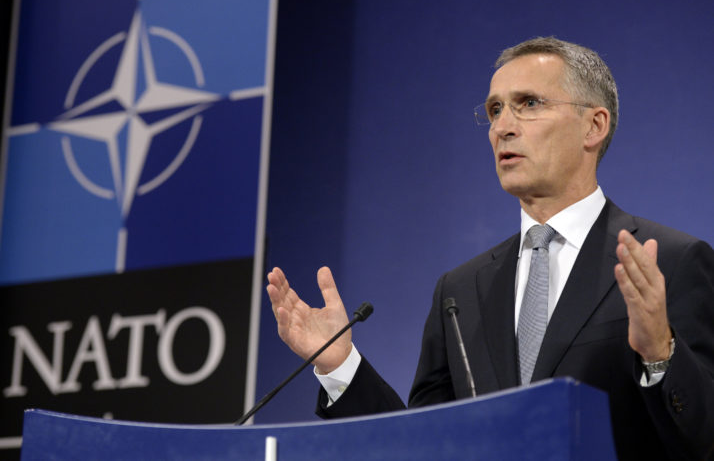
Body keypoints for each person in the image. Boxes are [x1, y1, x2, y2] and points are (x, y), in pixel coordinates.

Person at [266, 37, 714, 460]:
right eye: (495, 110)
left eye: (528, 104)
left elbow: (705, 438)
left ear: (594, 125)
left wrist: (659, 352)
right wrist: (341, 365)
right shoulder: (460, 290)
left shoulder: (669, 263)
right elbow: (424, 445)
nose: (502, 127)